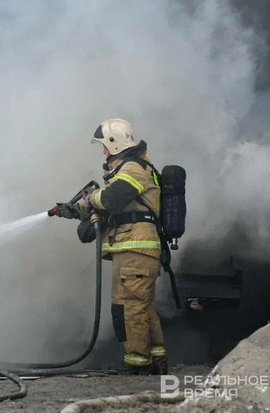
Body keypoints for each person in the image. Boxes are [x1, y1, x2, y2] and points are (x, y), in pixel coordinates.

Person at [55, 119, 167, 375]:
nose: (104, 151)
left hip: (136, 249)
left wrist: (90, 199)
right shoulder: (128, 169)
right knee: (140, 305)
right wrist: (74, 210)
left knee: (129, 307)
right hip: (132, 249)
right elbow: (111, 204)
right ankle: (156, 360)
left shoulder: (133, 168)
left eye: (104, 145)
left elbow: (111, 199)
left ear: (115, 144)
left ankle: (137, 364)